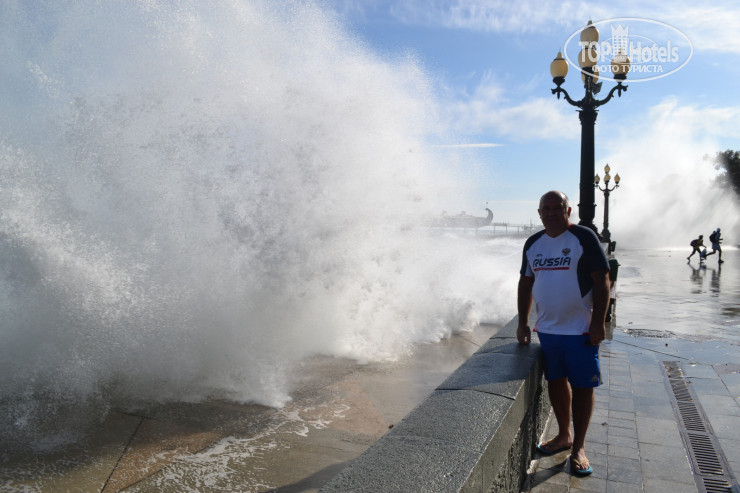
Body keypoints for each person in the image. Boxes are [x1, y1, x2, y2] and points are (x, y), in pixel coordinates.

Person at [517, 191, 610, 477]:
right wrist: (523, 322)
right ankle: (563, 435)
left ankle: (579, 447)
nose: (551, 213)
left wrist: (599, 322)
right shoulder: (533, 243)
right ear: (539, 212)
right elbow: (525, 283)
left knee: (582, 387)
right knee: (556, 382)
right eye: (546, 209)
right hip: (547, 330)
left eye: (557, 208)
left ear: (568, 211)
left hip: (580, 330)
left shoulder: (583, 237)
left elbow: (602, 280)